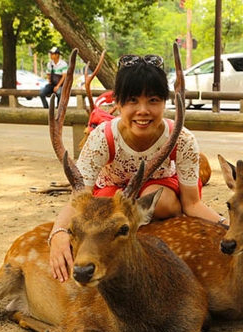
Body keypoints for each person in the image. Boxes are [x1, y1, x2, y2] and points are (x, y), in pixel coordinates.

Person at [48, 53, 227, 282]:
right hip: (113, 195)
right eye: (132, 100)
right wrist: (58, 233)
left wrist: (225, 225)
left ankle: (157, 243)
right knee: (101, 216)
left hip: (160, 190)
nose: (143, 110)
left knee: (157, 199)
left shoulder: (182, 139)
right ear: (118, 103)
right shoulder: (102, 138)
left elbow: (192, 203)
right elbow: (79, 199)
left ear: (165, 102)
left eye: (153, 100)